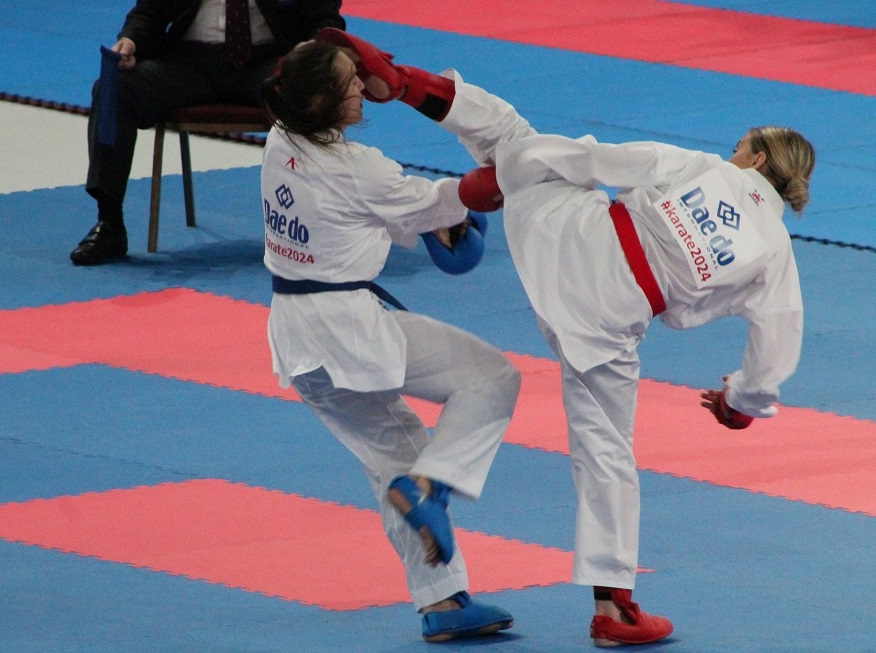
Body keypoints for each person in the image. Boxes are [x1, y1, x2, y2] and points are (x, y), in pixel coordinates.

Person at [320, 29, 816, 647]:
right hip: (606, 322)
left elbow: (600, 160)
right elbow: (775, 352)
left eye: (741, 146)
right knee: (607, 452)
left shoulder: (704, 168)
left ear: (759, 160)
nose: (734, 151)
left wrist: (520, 167)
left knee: (512, 135)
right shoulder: (778, 257)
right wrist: (738, 405)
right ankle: (614, 610)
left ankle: (405, 84)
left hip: (566, 242)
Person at [259, 40, 521, 643]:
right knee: (491, 378)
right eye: (352, 82)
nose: (363, 88)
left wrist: (438, 219)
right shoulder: (360, 169)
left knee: (395, 455)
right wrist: (510, 177)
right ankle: (431, 487)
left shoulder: (280, 140)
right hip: (346, 328)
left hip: (295, 334)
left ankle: (443, 602)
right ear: (324, 100)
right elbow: (446, 199)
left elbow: (391, 212)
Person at [70, 0, 345, 265]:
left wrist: (314, 47)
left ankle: (317, 225)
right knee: (115, 88)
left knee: (314, 93)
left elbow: (325, 18)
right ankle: (109, 223)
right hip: (188, 61)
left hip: (270, 60)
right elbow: (150, 9)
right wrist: (131, 40)